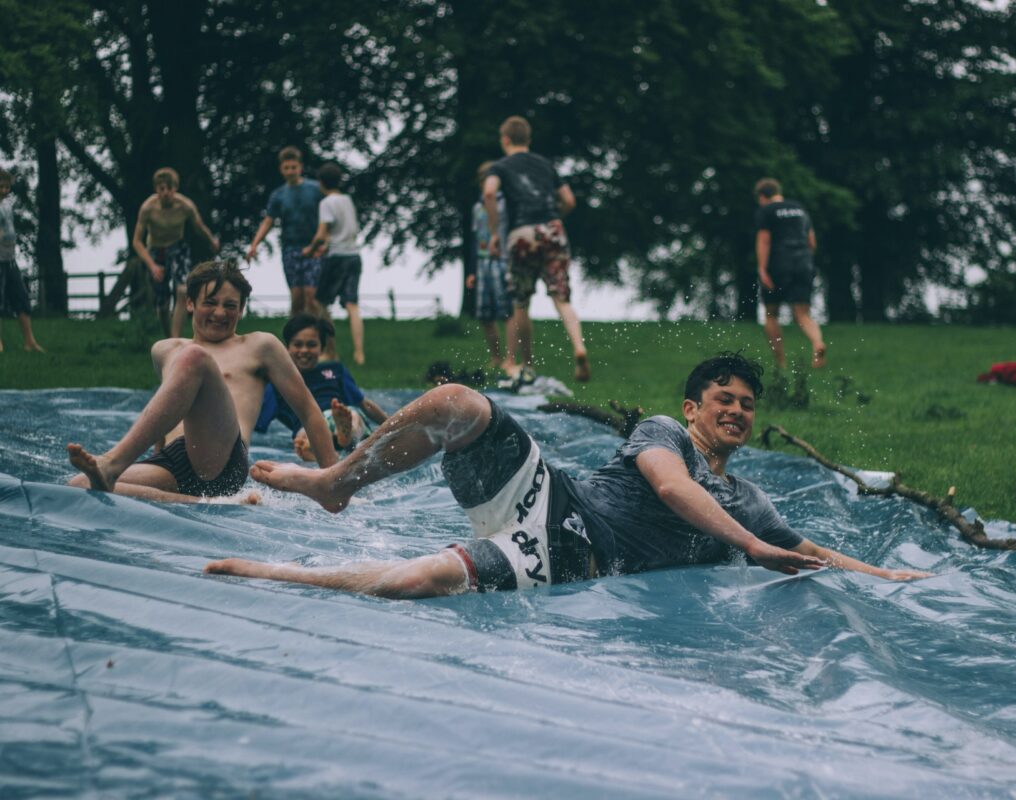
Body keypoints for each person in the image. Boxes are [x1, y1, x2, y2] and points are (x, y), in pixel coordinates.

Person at [205, 352, 930, 597]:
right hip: (553, 499)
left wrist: (881, 576)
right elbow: (672, 488)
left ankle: (277, 575)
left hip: (578, 555)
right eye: (724, 402)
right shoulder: (664, 432)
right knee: (459, 401)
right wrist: (756, 547)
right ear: (693, 407)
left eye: (747, 406)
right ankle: (338, 480)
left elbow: (806, 550)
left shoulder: (751, 497)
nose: (737, 413)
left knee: (417, 583)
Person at [67, 260, 338, 503]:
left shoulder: (260, 346)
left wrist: (332, 483)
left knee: (195, 357)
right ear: (190, 303)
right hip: (173, 460)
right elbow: (169, 409)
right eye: (210, 302)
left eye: (230, 306)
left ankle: (112, 463)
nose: (220, 313)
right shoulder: (164, 350)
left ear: (242, 309)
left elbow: (309, 411)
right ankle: (201, 502)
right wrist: (155, 454)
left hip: (222, 461)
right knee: (79, 485)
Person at [482, 116, 590, 383]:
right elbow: (569, 200)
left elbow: (488, 193)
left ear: (505, 140)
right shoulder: (545, 165)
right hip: (552, 229)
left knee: (521, 302)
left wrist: (496, 233)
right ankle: (579, 347)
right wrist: (556, 219)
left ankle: (527, 364)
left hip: (521, 232)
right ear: (528, 139)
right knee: (562, 298)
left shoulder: (501, 166)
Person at [256, 313, 388, 462]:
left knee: (352, 417)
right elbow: (256, 417)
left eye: (311, 345)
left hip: (337, 415)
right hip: (307, 428)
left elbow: (363, 403)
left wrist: (390, 423)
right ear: (287, 348)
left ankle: (340, 437)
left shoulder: (335, 370)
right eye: (298, 344)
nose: (304, 350)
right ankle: (320, 445)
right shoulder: (278, 383)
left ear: (322, 348)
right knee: (305, 433)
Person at [131, 167, 221, 338]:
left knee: (181, 290)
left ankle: (176, 338)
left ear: (175, 188)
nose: (165, 193)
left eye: (169, 188)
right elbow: (136, 242)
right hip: (156, 252)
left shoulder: (185, 206)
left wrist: (211, 241)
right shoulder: (148, 208)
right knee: (162, 304)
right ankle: (168, 340)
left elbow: (199, 227)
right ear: (156, 189)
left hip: (178, 248)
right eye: (161, 189)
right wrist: (152, 266)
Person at [754, 178, 826, 370]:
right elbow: (812, 241)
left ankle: (780, 363)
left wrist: (762, 268)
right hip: (803, 261)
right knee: (803, 313)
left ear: (762, 196)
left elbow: (764, 240)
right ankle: (817, 343)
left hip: (779, 262)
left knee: (771, 313)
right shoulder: (799, 208)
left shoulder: (766, 211)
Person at [246, 146, 324, 317]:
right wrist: (254, 244)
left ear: (300, 167)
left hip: (314, 247)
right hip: (290, 248)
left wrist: (325, 241)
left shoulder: (316, 189)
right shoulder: (278, 195)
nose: (290, 171)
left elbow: (328, 217)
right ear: (281, 169)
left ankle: (323, 335)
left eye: (293, 167)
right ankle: (294, 339)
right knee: (297, 298)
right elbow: (268, 221)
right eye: (286, 168)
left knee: (311, 297)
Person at [305, 162, 365, 365]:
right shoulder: (347, 200)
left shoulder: (326, 203)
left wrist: (310, 249)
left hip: (337, 257)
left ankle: (330, 350)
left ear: (321, 183)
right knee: (352, 305)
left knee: (320, 303)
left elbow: (322, 233)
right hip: (354, 255)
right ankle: (359, 353)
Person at [466, 161, 515, 371]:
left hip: (503, 260)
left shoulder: (508, 204)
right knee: (485, 314)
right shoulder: (477, 207)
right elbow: (475, 238)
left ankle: (511, 359)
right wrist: (472, 269)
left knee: (508, 311)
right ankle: (496, 356)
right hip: (482, 261)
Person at [0, 168, 45, 353]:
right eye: (1, 187)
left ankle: (29, 341)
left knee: (22, 299)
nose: (4, 190)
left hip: (10, 260)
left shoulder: (7, 206)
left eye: (7, 187)